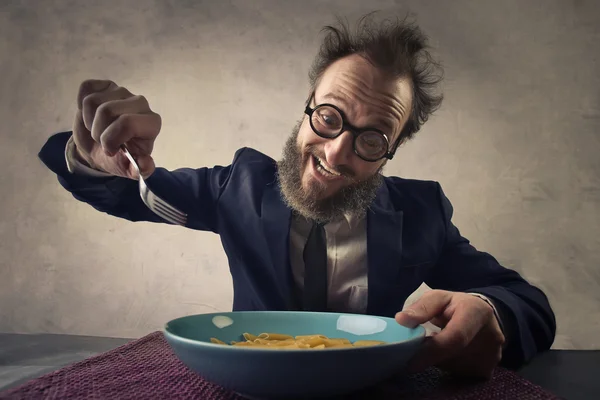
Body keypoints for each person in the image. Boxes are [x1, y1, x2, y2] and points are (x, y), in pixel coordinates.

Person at [38, 14, 555, 379]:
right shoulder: (237, 186)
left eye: (372, 138)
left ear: (393, 149)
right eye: (329, 116)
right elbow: (125, 194)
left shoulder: (421, 214)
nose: (337, 151)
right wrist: (98, 160)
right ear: (307, 105)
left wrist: (489, 310)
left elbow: (527, 303)